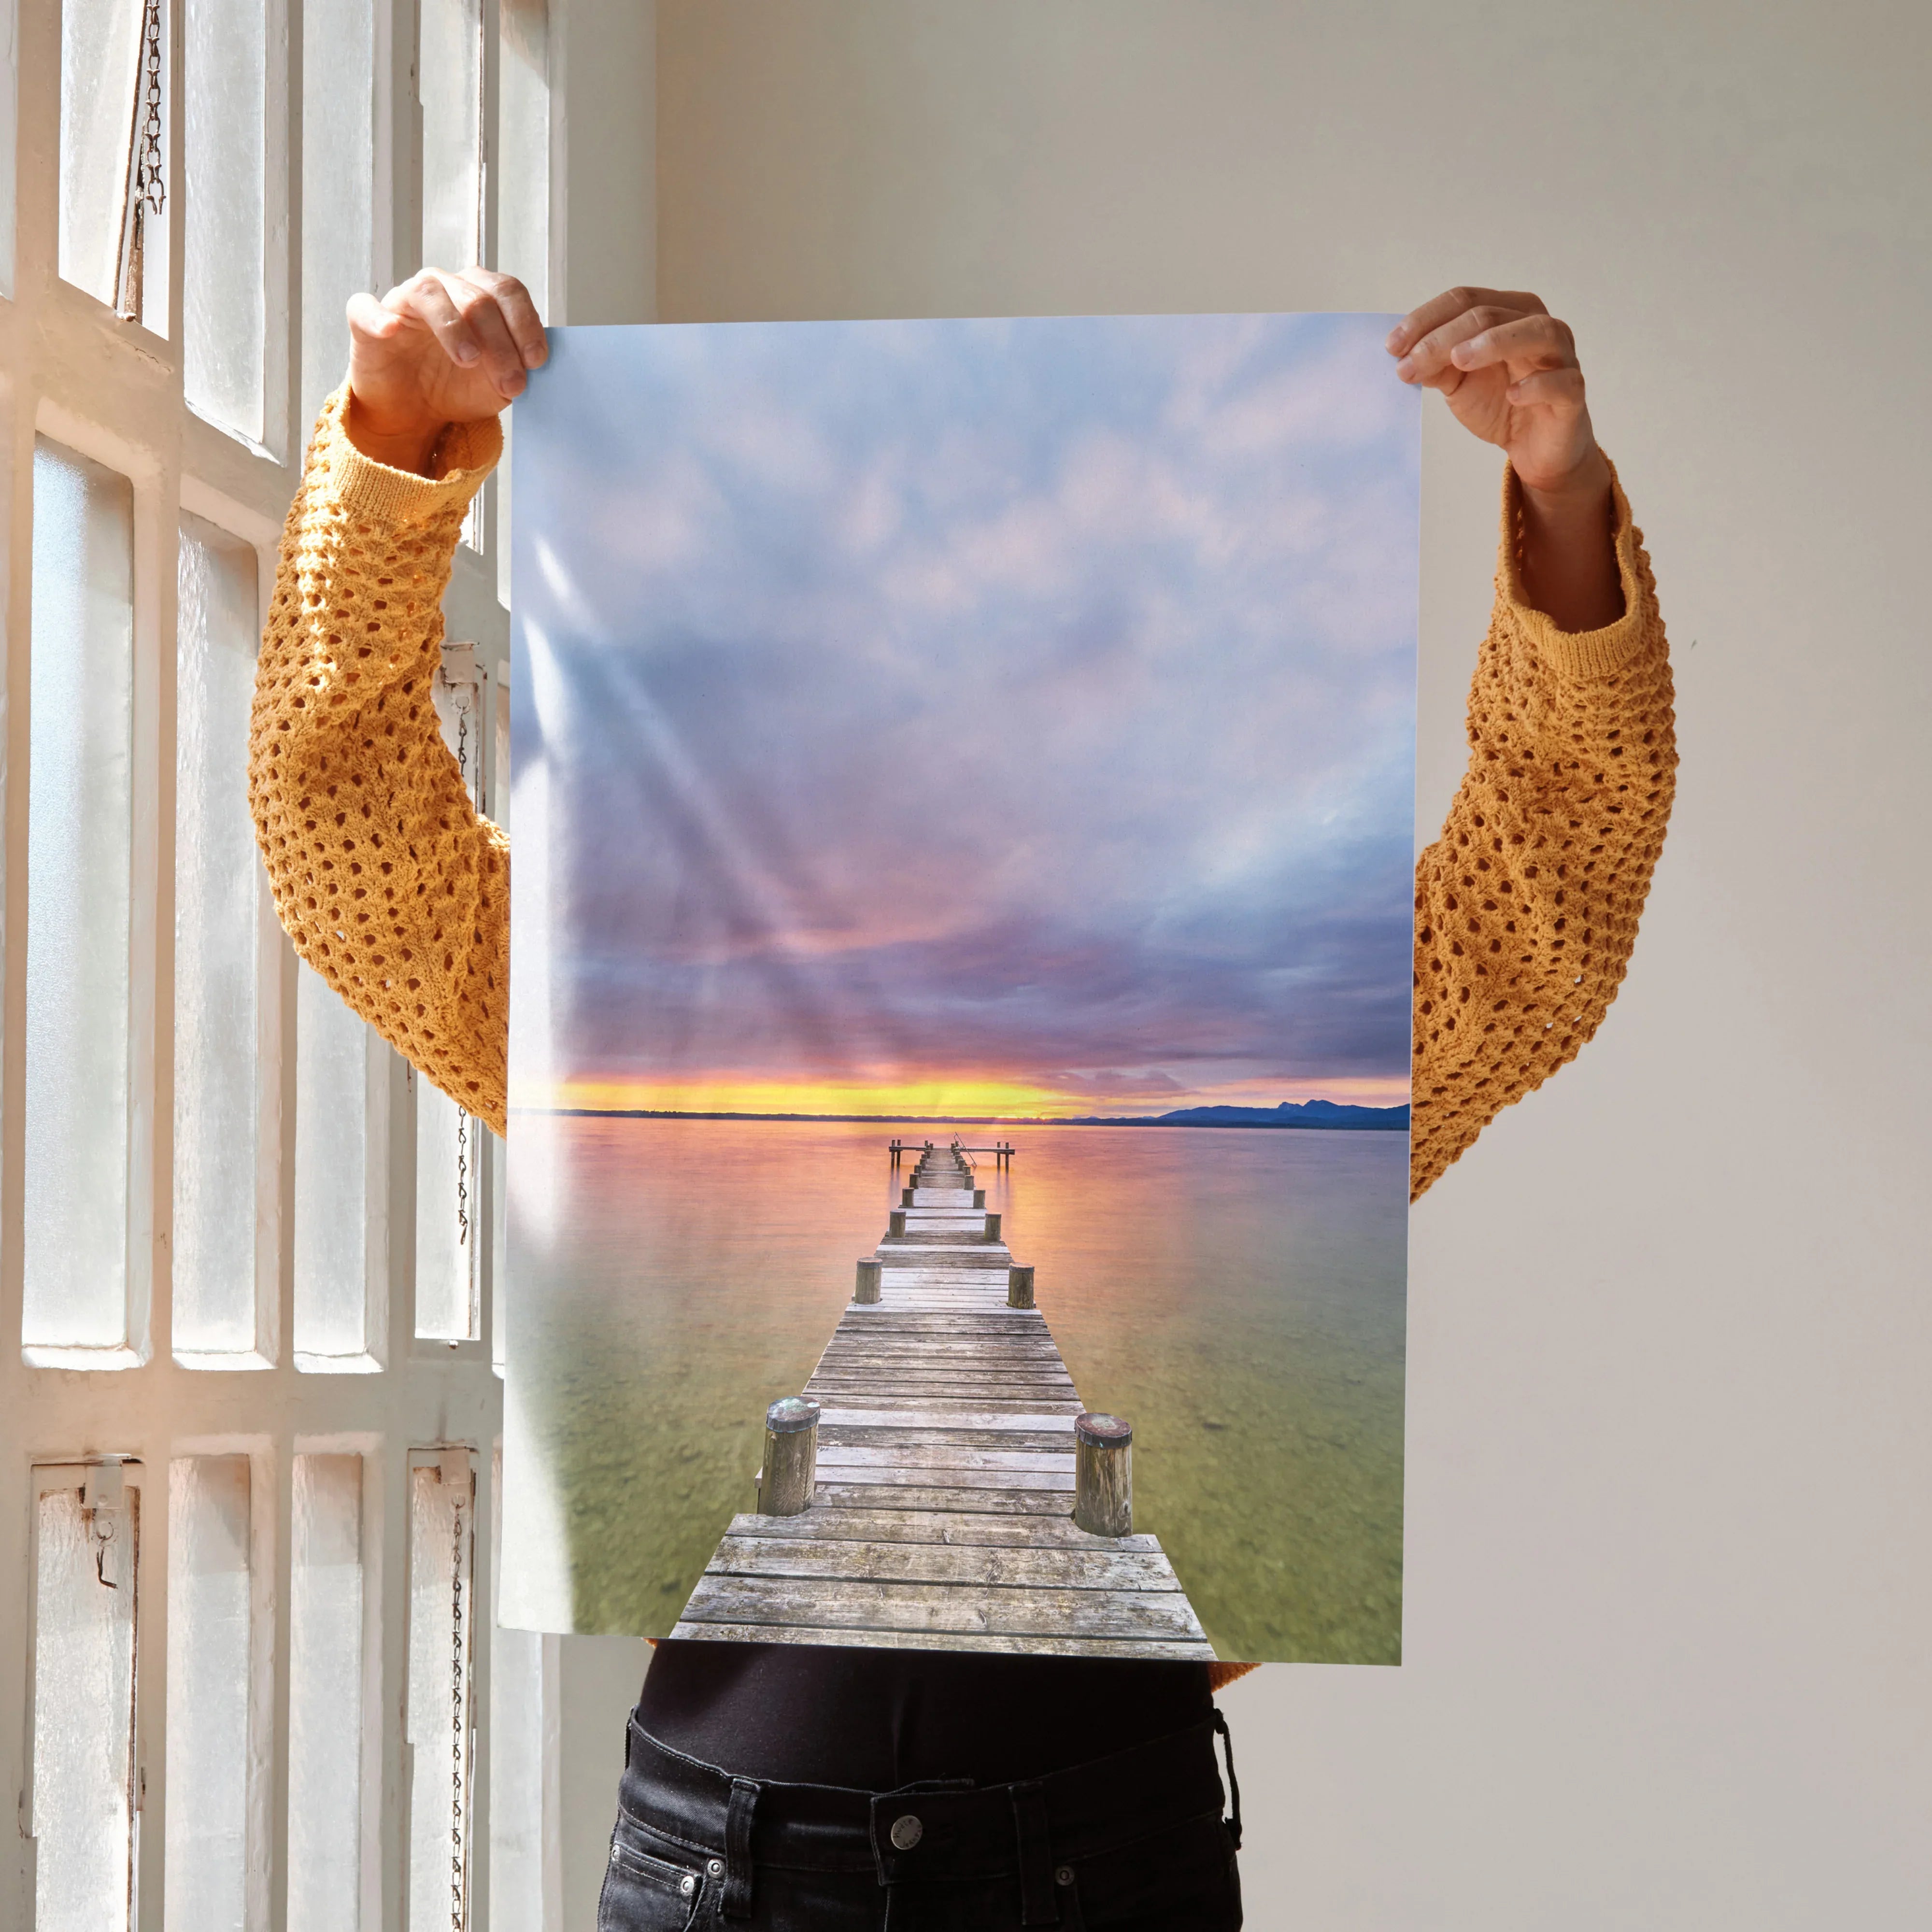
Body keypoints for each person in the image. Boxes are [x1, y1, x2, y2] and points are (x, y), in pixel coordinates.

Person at [249, 269, 1674, 1929]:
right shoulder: (633, 1011)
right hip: (735, 1863)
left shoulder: (1238, 1008)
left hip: (1097, 1851)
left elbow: (1542, 911)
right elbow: (347, 839)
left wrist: (1560, 498)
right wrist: (393, 445)